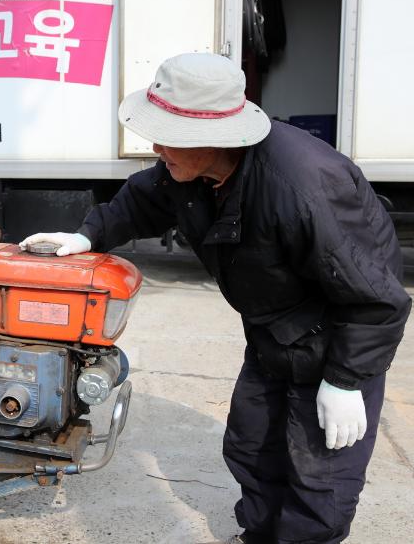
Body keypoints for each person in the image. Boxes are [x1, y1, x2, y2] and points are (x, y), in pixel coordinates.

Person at [21, 53, 410, 544]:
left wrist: (347, 379)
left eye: (168, 135)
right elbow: (141, 200)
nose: (156, 146)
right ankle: (259, 535)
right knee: (252, 448)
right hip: (272, 336)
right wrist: (86, 235)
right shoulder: (191, 170)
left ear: (216, 136)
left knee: (320, 485)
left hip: (332, 345)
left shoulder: (306, 186)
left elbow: (376, 296)